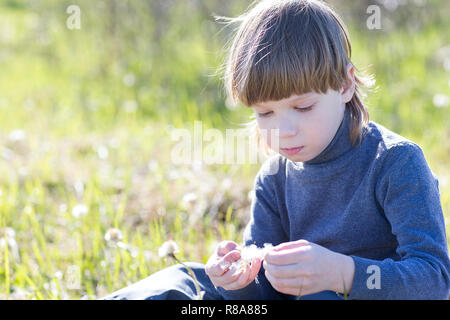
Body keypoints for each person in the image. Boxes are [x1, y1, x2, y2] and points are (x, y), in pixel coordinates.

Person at [100, 0, 450, 300]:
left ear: (345, 85)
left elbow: (435, 279)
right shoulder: (274, 177)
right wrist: (238, 281)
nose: (283, 131)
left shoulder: (395, 163)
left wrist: (341, 273)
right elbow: (265, 293)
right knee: (186, 280)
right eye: (265, 113)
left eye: (303, 108)